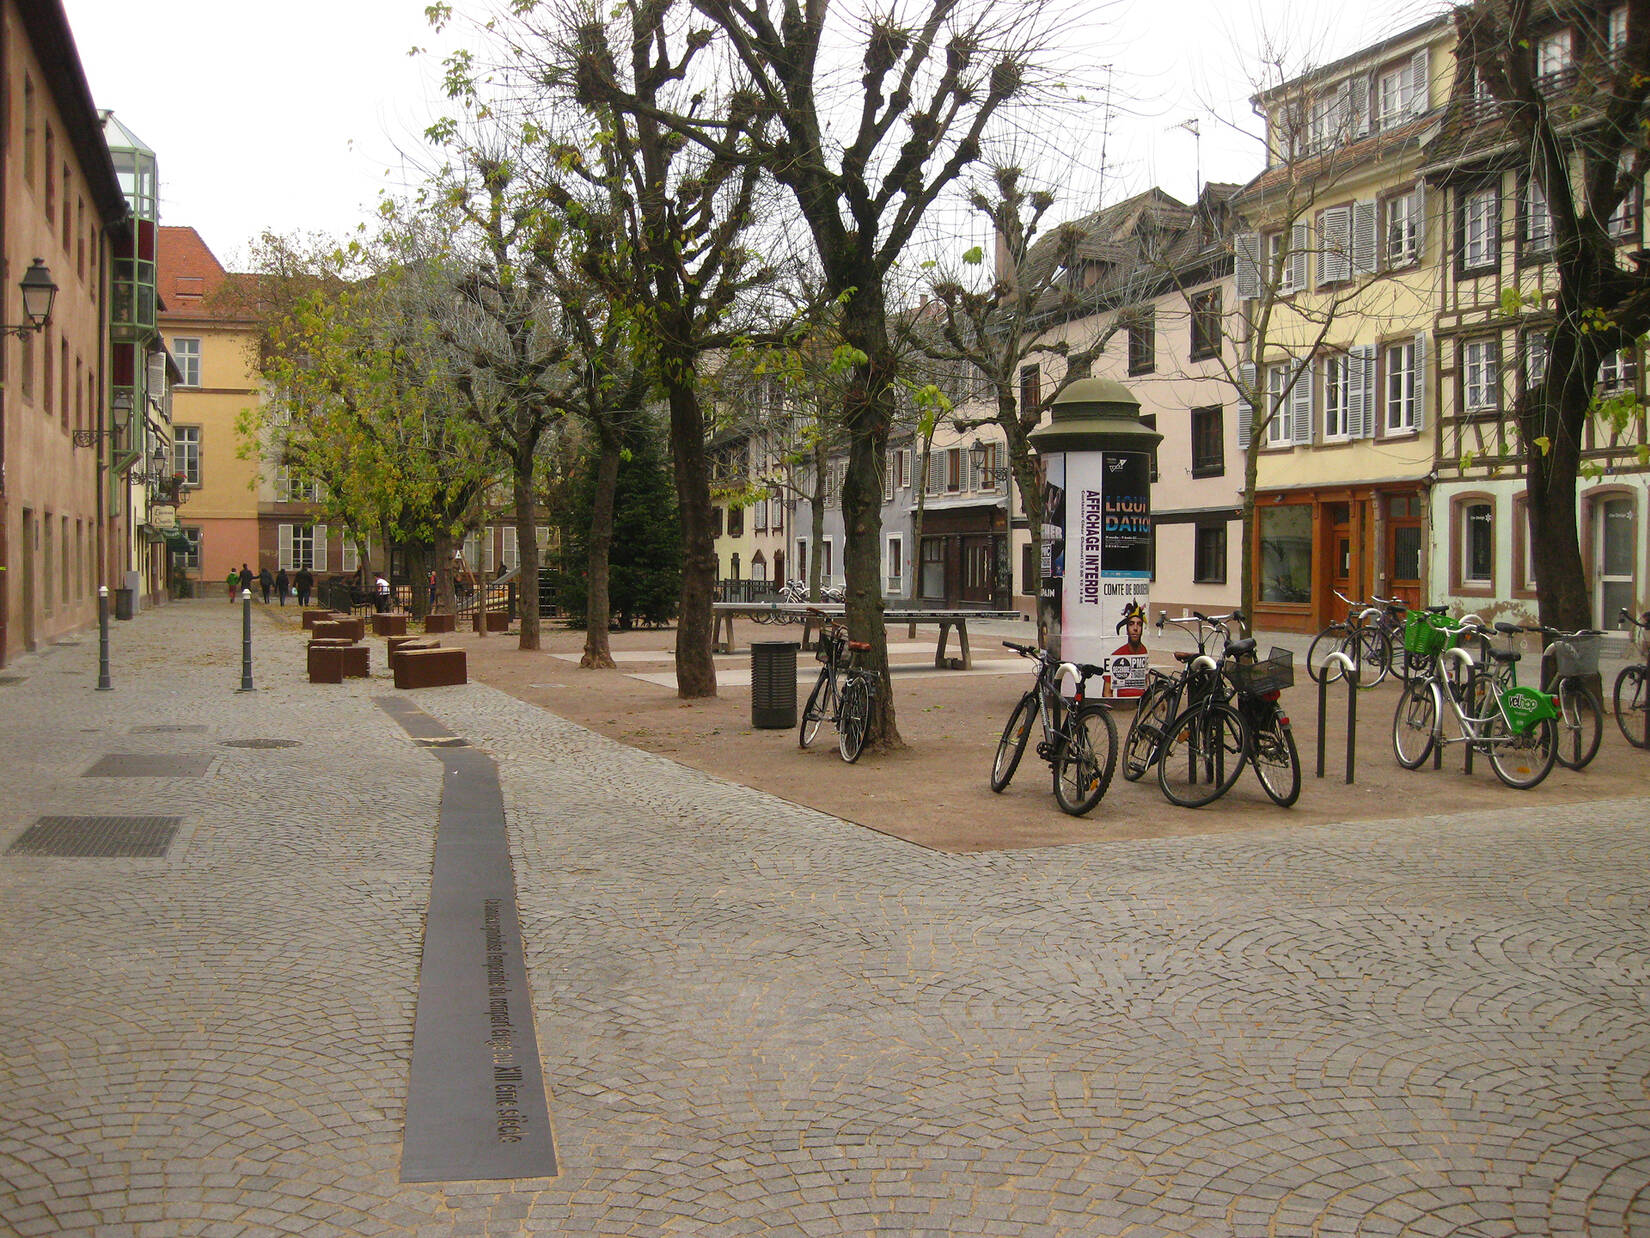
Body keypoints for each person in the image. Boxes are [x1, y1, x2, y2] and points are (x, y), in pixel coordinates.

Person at [1110, 601, 1150, 698]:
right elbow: (1107, 692)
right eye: (1131, 624)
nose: (1135, 628)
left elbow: (1147, 682)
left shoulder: (1144, 651)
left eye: (1139, 624)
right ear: (1127, 628)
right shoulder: (1117, 655)